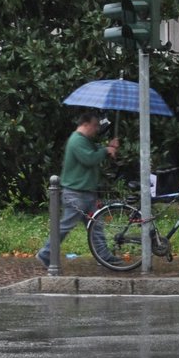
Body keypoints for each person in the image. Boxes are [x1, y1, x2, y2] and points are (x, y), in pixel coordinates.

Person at [36, 108, 120, 269]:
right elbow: (89, 158)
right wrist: (105, 150)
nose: (97, 129)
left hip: (85, 193)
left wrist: (109, 147)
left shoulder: (85, 140)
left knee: (96, 226)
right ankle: (45, 254)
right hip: (75, 194)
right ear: (86, 124)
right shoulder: (77, 141)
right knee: (65, 226)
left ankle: (103, 256)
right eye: (95, 126)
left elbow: (94, 151)